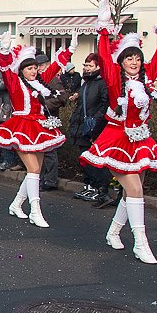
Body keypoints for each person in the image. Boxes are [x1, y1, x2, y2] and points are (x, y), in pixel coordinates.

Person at [81, 0, 157, 264]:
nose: (134, 62)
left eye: (137, 58)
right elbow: (103, 54)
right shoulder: (114, 79)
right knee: (135, 189)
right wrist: (102, 29)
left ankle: (114, 231)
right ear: (121, 62)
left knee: (133, 190)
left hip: (141, 138)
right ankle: (141, 243)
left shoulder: (146, 79)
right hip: (116, 138)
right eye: (129, 59)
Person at [0, 32, 76, 227]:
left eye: (35, 67)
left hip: (40, 128)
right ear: (22, 70)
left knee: (33, 171)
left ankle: (17, 204)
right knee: (34, 168)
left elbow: (53, 68)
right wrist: (4, 50)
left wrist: (69, 50)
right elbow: (5, 71)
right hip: (21, 127)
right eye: (29, 68)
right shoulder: (15, 82)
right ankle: (35, 211)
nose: (33, 71)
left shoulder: (39, 82)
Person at [69, 53, 111, 205]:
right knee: (84, 158)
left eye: (90, 66)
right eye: (85, 65)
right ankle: (89, 185)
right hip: (81, 126)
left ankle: (100, 188)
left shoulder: (102, 83)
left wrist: (96, 125)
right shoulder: (86, 83)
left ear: (99, 67)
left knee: (95, 160)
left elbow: (104, 106)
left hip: (94, 127)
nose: (86, 68)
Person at [37, 53, 70, 192]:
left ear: (46, 65)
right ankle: (44, 177)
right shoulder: (37, 79)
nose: (37, 69)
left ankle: (50, 180)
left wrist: (44, 106)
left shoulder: (53, 80)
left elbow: (62, 98)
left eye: (40, 66)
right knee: (41, 149)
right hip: (40, 118)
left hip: (50, 118)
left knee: (50, 151)